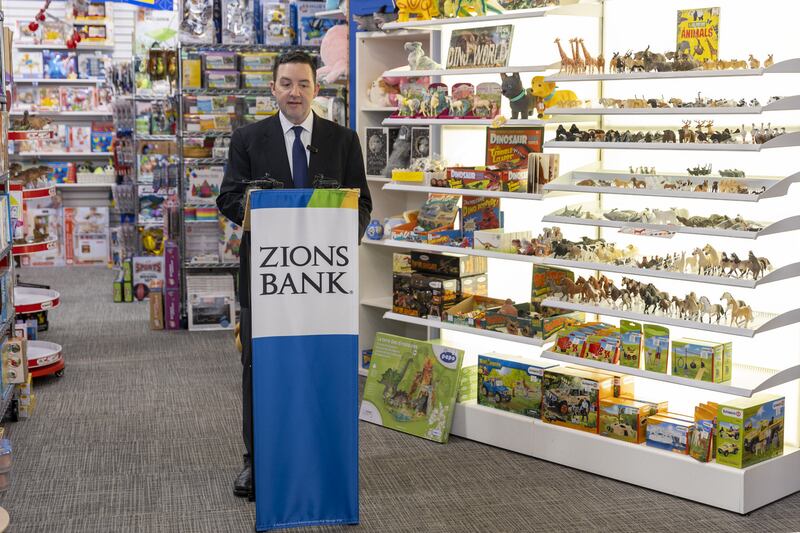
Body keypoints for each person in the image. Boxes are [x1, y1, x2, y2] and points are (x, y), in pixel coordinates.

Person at [216, 50, 372, 498]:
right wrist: (257, 208)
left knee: (322, 363)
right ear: (273, 89)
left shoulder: (343, 141)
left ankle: (323, 456)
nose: (295, 92)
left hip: (325, 281)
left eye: (303, 84)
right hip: (266, 280)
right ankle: (256, 461)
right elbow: (227, 198)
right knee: (260, 368)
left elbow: (362, 204)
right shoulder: (248, 139)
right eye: (286, 84)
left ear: (316, 89)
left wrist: (341, 240)